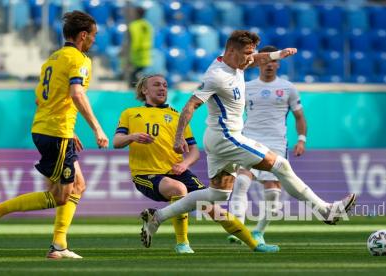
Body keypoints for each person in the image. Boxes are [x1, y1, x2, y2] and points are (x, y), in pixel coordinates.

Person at [139, 30, 356, 253]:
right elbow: (190, 105)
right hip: (226, 137)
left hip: (220, 138)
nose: (249, 57)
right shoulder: (216, 75)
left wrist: (279, 54)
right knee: (281, 165)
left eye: (251, 52)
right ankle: (325, 211)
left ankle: (157, 217)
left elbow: (257, 59)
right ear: (231, 51)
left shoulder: (237, 63)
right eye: (246, 53)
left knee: (218, 194)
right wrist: (178, 138)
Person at [0, 11, 109, 259]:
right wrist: (97, 128)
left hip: (51, 128)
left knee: (78, 185)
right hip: (55, 132)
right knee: (61, 196)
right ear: (83, 36)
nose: (94, 40)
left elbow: (42, 99)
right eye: (93, 35)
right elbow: (77, 94)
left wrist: (70, 131)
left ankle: (59, 245)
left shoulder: (53, 59)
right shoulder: (79, 59)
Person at [113, 74, 204, 254]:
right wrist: (132, 137)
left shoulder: (178, 116)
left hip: (177, 170)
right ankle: (182, 244)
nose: (162, 88)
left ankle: (254, 242)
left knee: (212, 206)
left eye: (165, 85)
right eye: (156, 85)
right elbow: (116, 142)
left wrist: (185, 164)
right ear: (144, 90)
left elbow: (194, 151)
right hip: (147, 174)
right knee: (179, 190)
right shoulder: (130, 113)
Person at [227, 45, 308, 245]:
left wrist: (301, 139)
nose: (269, 65)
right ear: (258, 63)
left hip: (276, 142)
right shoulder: (247, 86)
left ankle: (259, 232)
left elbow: (299, 116)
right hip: (250, 138)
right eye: (265, 61)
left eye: (273, 62)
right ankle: (238, 227)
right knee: (241, 181)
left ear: (278, 64)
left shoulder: (288, 88)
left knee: (272, 190)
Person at [122, 6, 153, 87]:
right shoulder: (147, 25)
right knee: (139, 74)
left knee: (133, 77)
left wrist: (125, 52)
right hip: (145, 55)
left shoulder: (133, 26)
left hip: (134, 55)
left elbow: (130, 41)